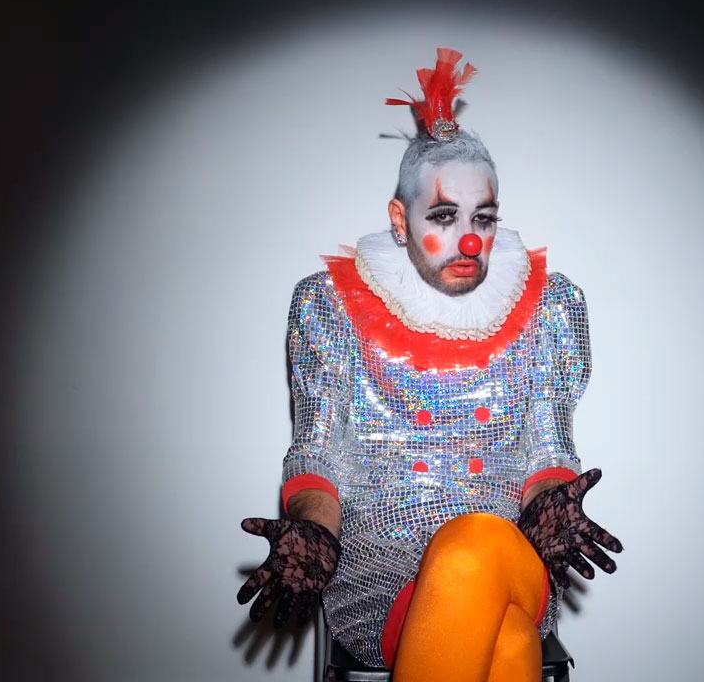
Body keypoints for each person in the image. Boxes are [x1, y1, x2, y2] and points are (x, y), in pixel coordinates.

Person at [238, 48, 622, 682]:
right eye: (444, 215)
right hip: (381, 580)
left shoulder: (550, 307)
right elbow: (317, 450)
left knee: (476, 545)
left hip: (511, 560)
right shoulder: (328, 304)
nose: (470, 239)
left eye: (484, 218)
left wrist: (551, 502)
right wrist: (314, 530)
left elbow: (547, 449)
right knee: (507, 646)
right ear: (400, 220)